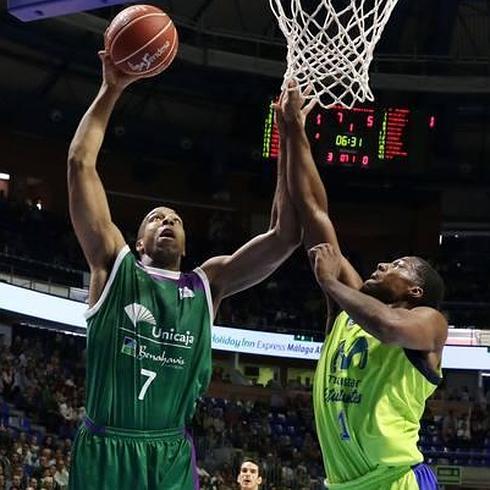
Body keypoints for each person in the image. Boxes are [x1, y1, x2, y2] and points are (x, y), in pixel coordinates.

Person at [67, 52, 300, 490]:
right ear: (138, 242)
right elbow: (80, 165)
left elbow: (285, 235)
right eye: (155, 217)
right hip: (106, 448)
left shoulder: (208, 283)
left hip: (170, 451)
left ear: (187, 244)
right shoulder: (114, 266)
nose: (168, 221)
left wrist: (289, 136)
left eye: (175, 219)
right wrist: (111, 88)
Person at [278, 83, 447, 489]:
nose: (384, 264)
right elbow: (314, 211)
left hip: (398, 480)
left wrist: (329, 283)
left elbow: (388, 327)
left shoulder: (430, 322)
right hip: (344, 484)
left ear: (416, 291)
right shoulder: (351, 309)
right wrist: (294, 131)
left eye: (399, 266)